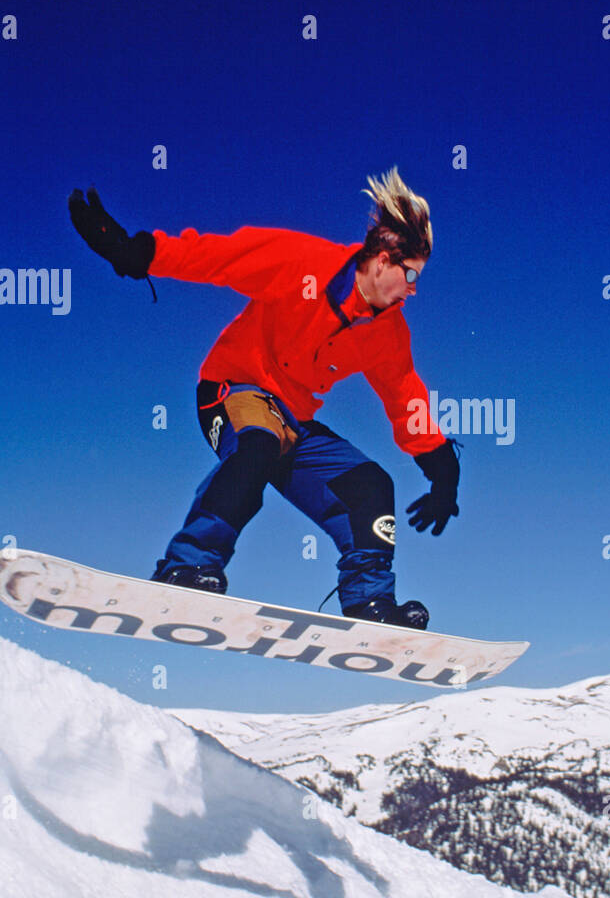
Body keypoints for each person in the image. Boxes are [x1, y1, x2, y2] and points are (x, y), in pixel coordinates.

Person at [67, 168, 460, 630]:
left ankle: (368, 602)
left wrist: (441, 470)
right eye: (410, 274)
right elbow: (222, 256)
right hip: (231, 390)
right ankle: (188, 566)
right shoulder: (306, 264)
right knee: (260, 441)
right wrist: (136, 251)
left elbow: (403, 393)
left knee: (372, 485)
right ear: (381, 258)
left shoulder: (387, 332)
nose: (413, 289)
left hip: (294, 422)